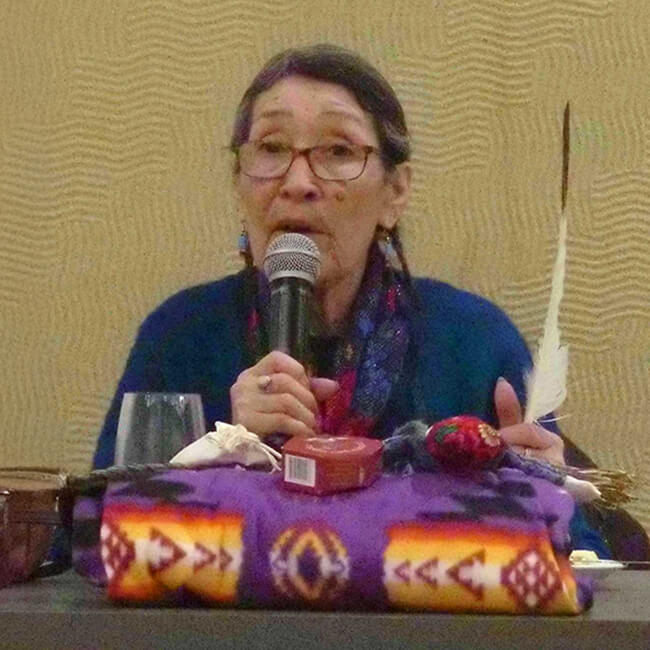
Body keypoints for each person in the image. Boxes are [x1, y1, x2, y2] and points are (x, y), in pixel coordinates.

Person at [93, 44, 648, 560]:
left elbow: (579, 555)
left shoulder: (473, 342)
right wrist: (219, 454)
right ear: (239, 182)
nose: (298, 182)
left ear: (395, 192)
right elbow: (98, 538)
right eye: (271, 148)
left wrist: (539, 498)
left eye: (337, 151)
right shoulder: (182, 335)